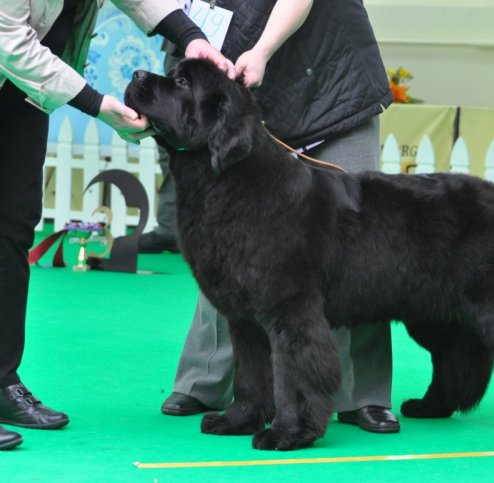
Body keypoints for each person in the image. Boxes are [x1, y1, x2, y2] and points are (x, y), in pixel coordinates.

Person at [0, 0, 235, 449]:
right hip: (13, 60)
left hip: (19, 95)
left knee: (12, 229)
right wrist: (98, 105)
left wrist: (192, 37)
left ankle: (1, 381)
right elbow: (10, 41)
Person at [157, 0, 400, 434]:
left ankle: (363, 394)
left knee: (358, 242)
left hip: (330, 80)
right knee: (226, 240)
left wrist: (264, 49)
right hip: (240, 89)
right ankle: (206, 379)